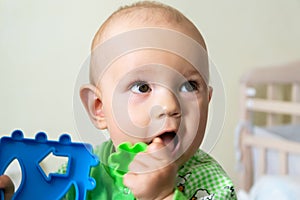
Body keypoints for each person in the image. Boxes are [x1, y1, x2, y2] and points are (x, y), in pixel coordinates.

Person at [0, 1, 237, 199]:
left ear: (207, 100)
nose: (169, 106)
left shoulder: (213, 185)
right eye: (142, 87)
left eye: (189, 86)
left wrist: (163, 195)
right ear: (99, 108)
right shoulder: (84, 170)